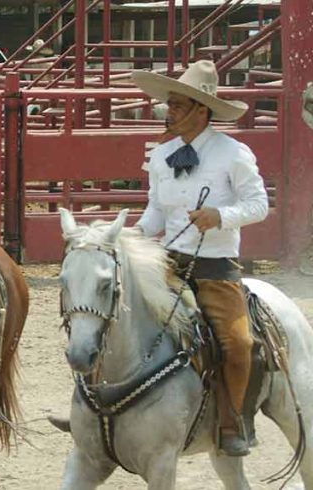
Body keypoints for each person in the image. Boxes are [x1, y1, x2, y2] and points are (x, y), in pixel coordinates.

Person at [134, 60, 268, 456]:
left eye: (176, 105)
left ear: (201, 110)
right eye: (169, 104)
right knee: (114, 317)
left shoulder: (234, 153)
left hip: (216, 267)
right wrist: (132, 235)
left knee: (237, 343)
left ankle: (232, 421)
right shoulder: (163, 156)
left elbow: (259, 204)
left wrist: (221, 217)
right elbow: (157, 210)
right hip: (168, 262)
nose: (168, 112)